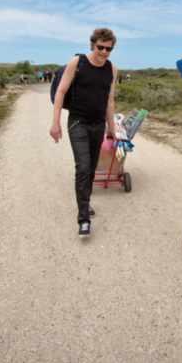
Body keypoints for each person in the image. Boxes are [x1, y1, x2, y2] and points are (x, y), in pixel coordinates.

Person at [50, 28, 118, 237]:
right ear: (92, 45)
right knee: (83, 166)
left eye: (108, 49)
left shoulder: (112, 69)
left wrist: (111, 128)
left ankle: (85, 202)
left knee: (90, 171)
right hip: (77, 123)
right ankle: (84, 220)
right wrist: (55, 123)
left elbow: (109, 100)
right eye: (100, 47)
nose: (104, 52)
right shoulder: (77, 62)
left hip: (98, 125)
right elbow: (61, 91)